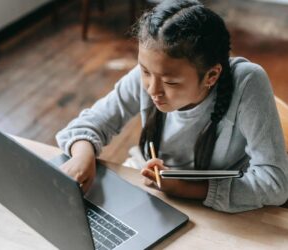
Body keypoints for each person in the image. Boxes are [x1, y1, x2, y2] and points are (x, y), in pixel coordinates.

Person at [55, 0, 288, 213]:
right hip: (159, 193)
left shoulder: (247, 82)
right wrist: (81, 156)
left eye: (170, 82)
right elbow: (90, 122)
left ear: (212, 75)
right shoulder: (153, 69)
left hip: (226, 205)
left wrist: (183, 188)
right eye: (145, 72)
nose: (152, 90)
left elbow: (275, 183)